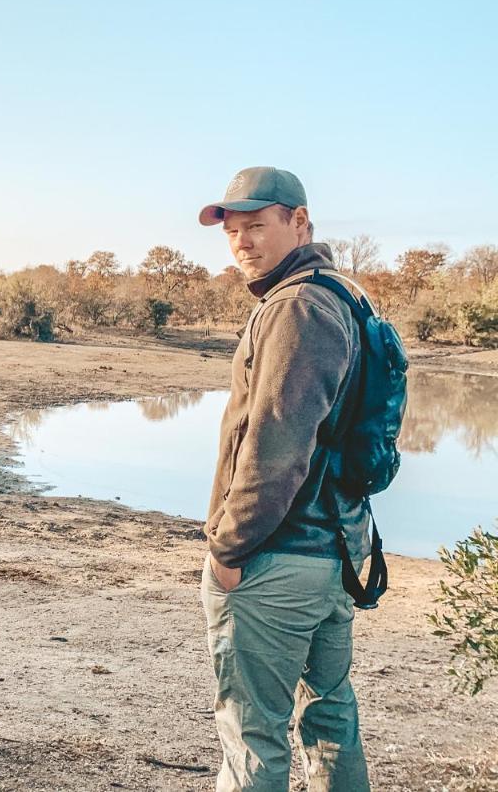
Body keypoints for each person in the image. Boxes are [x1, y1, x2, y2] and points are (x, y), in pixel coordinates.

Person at [198, 167, 371, 791]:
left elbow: (276, 445)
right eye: (234, 231)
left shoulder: (297, 305)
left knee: (252, 735)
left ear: (299, 222)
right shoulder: (341, 294)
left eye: (257, 226)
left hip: (279, 559)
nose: (243, 242)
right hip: (334, 552)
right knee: (329, 719)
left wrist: (229, 549)